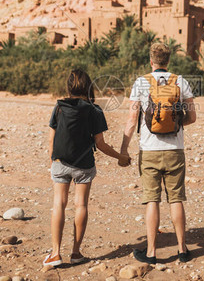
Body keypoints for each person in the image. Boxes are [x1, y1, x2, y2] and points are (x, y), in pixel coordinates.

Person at [43, 69, 131, 267]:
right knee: (80, 205)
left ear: (69, 87)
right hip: (84, 165)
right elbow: (101, 144)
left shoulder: (59, 107)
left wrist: (53, 162)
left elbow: (51, 138)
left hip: (60, 162)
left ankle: (55, 253)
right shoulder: (95, 110)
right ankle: (75, 253)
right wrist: (121, 157)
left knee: (59, 204)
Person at [120, 43, 197, 264]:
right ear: (168, 61)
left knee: (152, 200)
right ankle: (182, 250)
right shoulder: (180, 81)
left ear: (151, 61)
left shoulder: (141, 82)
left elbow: (132, 119)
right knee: (176, 199)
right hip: (175, 150)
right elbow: (192, 118)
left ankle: (152, 252)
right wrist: (174, 124)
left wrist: (124, 150)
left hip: (149, 150)